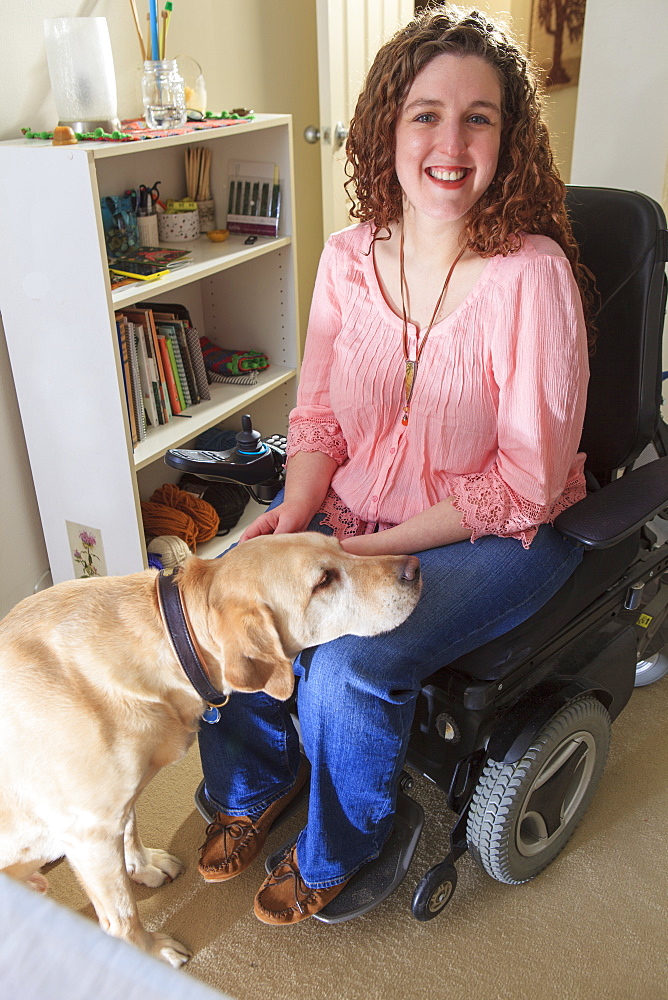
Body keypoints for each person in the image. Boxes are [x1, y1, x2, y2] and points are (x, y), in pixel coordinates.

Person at [197, 4, 591, 925]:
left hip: (503, 532)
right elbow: (322, 415)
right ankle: (253, 783)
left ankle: (347, 843)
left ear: (510, 138)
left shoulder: (533, 277)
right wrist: (297, 516)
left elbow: (526, 482)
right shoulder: (344, 260)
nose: (450, 142)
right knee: (237, 595)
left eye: (479, 117)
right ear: (387, 126)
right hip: (356, 513)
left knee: (344, 664)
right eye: (426, 113)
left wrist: (364, 556)